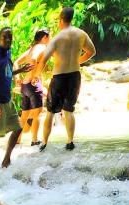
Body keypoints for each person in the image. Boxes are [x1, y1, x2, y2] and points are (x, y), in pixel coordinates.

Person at [37, 6, 95, 151]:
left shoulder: (57, 38)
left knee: (50, 111)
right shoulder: (81, 34)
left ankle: (44, 143)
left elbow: (44, 59)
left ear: (61, 19)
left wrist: (37, 75)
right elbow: (92, 51)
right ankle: (70, 141)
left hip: (59, 76)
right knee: (69, 110)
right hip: (75, 75)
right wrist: (78, 61)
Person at [0, 27, 34, 168]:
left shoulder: (7, 53)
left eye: (10, 37)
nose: (8, 40)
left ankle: (6, 160)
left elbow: (6, 72)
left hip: (7, 100)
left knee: (18, 129)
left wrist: (20, 70)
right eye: (5, 37)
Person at [16, 29, 50, 146]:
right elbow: (35, 59)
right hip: (32, 84)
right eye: (49, 37)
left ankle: (17, 140)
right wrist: (34, 76)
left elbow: (16, 62)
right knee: (37, 113)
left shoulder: (31, 49)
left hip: (25, 85)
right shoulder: (41, 47)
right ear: (45, 37)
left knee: (24, 115)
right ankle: (34, 140)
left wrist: (17, 79)